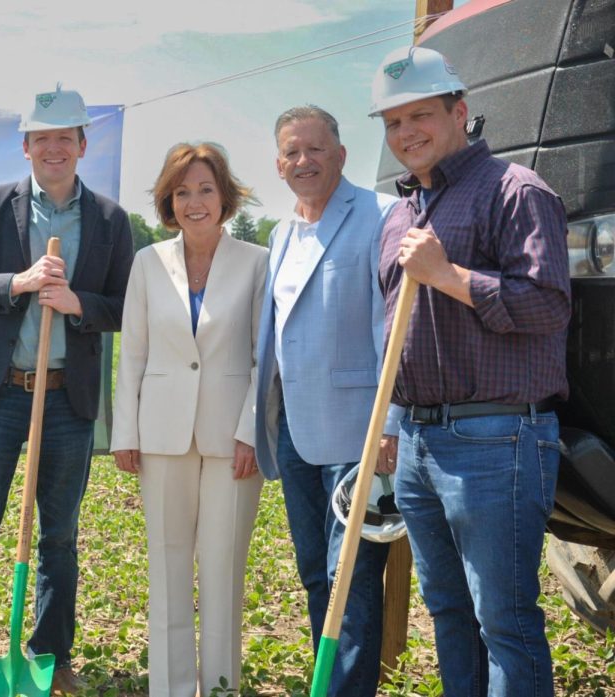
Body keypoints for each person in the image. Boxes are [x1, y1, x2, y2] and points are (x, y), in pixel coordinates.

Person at [0, 85, 134, 697]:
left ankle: (51, 657)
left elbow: (124, 307)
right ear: (26, 147)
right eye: (43, 138)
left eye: (65, 137)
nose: (54, 148)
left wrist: (78, 305)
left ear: (83, 146)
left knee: (59, 536)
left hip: (67, 401)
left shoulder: (110, 221)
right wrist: (18, 282)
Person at [371, 45, 570, 696]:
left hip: (498, 441)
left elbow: (546, 305)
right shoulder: (399, 215)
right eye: (394, 123)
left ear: (459, 111)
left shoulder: (516, 192)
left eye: (420, 115)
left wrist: (448, 275)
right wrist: (394, 422)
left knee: (503, 622)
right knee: (450, 615)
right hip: (420, 444)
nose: (407, 133)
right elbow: (397, 334)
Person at [110, 142, 266, 697]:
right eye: (182, 192)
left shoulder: (256, 261)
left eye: (204, 189)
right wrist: (125, 432)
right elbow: (133, 353)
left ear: (224, 196)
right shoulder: (147, 263)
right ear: (167, 201)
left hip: (233, 443)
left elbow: (262, 358)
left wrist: (252, 431)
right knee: (168, 570)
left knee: (223, 571)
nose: (193, 202)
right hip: (161, 436)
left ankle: (220, 688)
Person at [253, 105, 398, 697]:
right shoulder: (281, 234)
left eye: (315, 148)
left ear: (341, 153)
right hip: (295, 432)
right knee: (317, 574)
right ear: (278, 164)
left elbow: (394, 330)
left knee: (351, 580)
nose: (303, 160)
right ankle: (330, 683)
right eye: (291, 151)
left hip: (356, 434)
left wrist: (389, 425)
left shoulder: (380, 215)